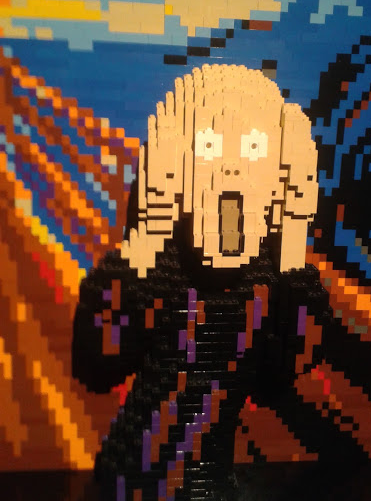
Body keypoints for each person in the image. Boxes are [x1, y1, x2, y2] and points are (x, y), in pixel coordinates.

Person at [72, 64, 330, 501]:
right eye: (209, 145)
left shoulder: (268, 282)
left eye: (253, 147)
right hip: (135, 477)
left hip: (210, 479)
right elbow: (98, 364)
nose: (231, 168)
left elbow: (275, 383)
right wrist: (145, 242)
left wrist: (292, 242)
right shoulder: (163, 270)